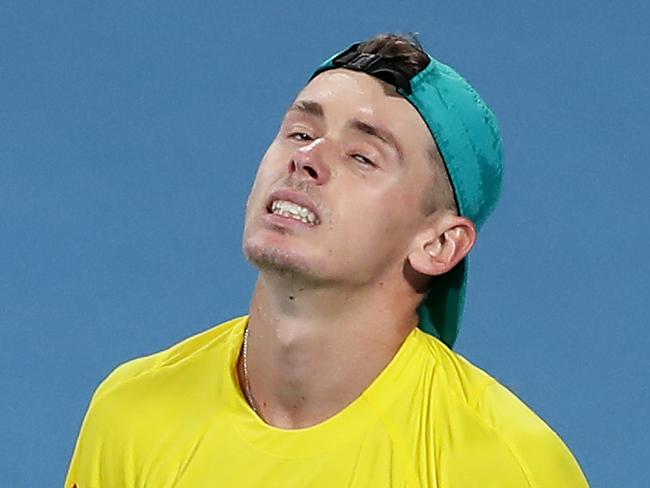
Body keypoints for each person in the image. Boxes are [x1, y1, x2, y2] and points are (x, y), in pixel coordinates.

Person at [65, 33, 589, 487]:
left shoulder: (505, 466)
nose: (307, 157)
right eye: (299, 131)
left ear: (439, 245)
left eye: (363, 156)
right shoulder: (131, 413)